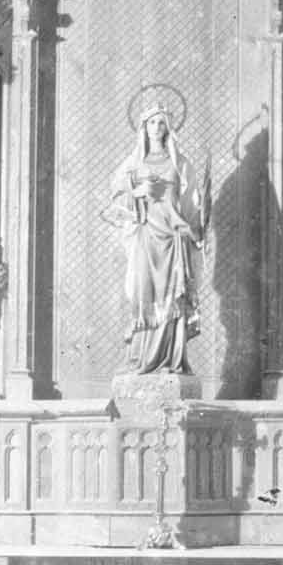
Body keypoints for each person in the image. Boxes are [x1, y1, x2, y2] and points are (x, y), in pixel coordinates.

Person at [107, 105, 209, 373]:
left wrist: (194, 229)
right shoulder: (134, 162)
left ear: (168, 128)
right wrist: (137, 190)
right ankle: (141, 359)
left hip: (173, 239)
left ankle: (169, 360)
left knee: (171, 298)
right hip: (145, 237)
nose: (156, 127)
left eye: (161, 123)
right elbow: (116, 195)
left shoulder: (180, 162)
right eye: (151, 122)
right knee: (143, 292)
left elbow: (193, 202)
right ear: (144, 126)